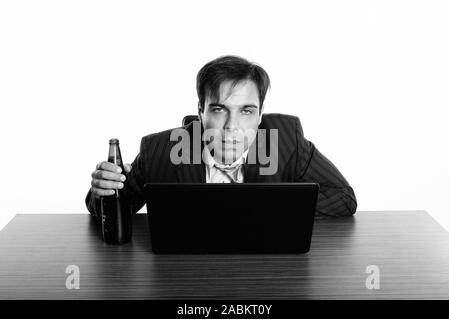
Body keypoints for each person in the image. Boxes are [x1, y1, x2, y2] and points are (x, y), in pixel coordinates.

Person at [86, 55, 357, 221]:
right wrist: (103, 191)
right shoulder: (160, 150)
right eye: (219, 109)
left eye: (246, 111)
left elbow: (344, 198)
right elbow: (109, 210)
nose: (232, 126)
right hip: (185, 276)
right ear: (201, 112)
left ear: (261, 114)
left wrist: (273, 210)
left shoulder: (287, 140)